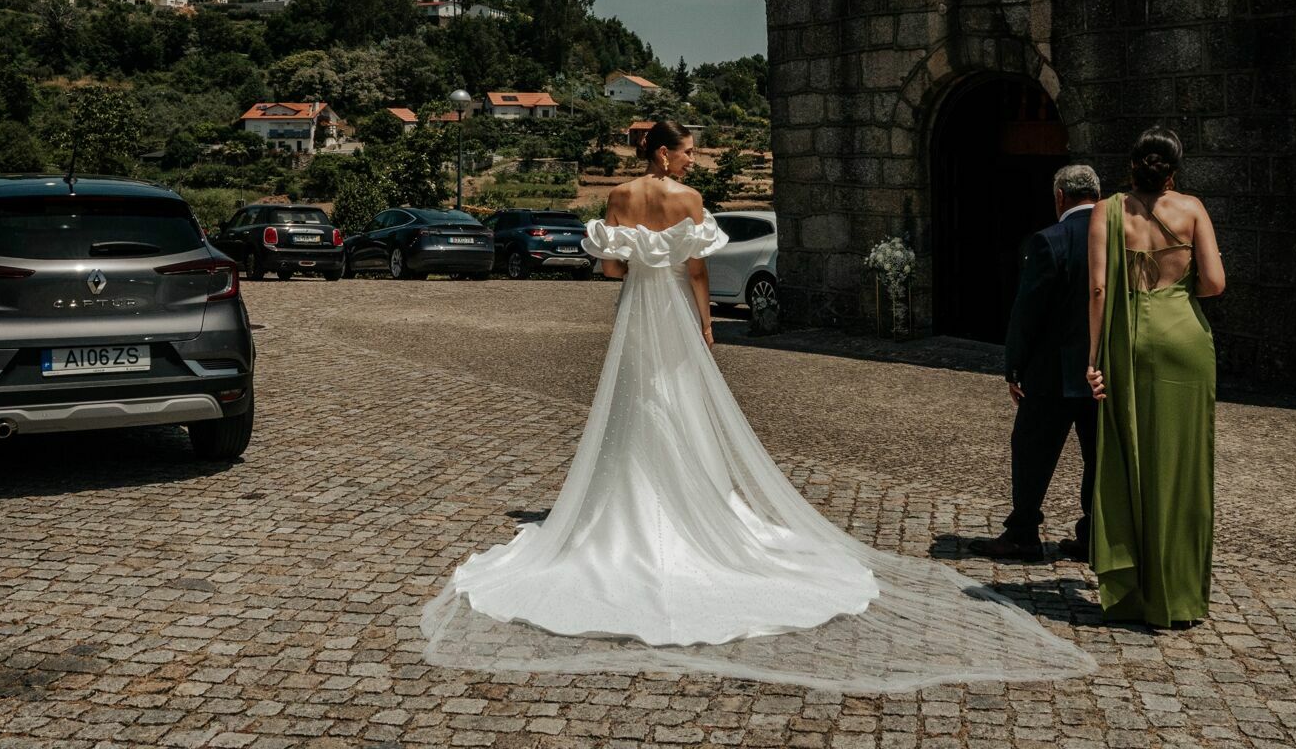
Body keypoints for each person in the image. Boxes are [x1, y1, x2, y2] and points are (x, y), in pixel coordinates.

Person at [421, 122, 1093, 692]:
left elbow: (610, 270)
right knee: (680, 404)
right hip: (677, 317)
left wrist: (637, 264)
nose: (692, 158)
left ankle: (627, 502)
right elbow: (698, 271)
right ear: (664, 154)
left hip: (635, 317)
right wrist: (707, 324)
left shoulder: (621, 196)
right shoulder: (688, 199)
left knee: (634, 403)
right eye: (686, 149)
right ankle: (695, 501)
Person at [1086, 127, 1224, 628]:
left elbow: (1099, 289)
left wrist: (1094, 359)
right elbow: (1213, 283)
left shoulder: (1107, 210)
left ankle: (1131, 591)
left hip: (1130, 341)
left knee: (1130, 458)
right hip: (1185, 340)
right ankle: (1180, 596)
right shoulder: (1192, 209)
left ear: (1132, 164)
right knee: (1183, 467)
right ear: (1173, 169)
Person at [971, 164, 1100, 562]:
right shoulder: (1121, 238)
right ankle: (1093, 534)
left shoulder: (1050, 241)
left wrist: (1014, 367)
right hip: (1104, 373)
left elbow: (1027, 311)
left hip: (1052, 373)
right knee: (1098, 456)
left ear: (1060, 196)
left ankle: (1024, 532)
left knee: (1031, 449)